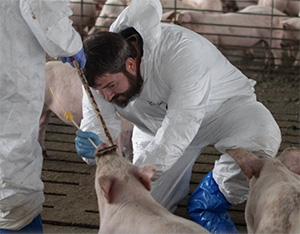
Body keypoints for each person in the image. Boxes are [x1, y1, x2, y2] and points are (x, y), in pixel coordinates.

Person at [75, 0, 282, 232]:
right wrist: (94, 141)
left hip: (224, 110)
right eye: (99, 90)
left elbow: (183, 121)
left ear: (131, 64)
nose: (107, 96)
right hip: (155, 128)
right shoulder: (98, 69)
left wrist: (139, 172)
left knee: (262, 136)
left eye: (111, 85)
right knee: (140, 207)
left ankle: (209, 201)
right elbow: (98, 119)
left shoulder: (181, 50)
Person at [0, 0, 86, 233]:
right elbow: (41, 6)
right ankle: (18, 225)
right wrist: (70, 44)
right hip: (10, 66)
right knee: (12, 154)